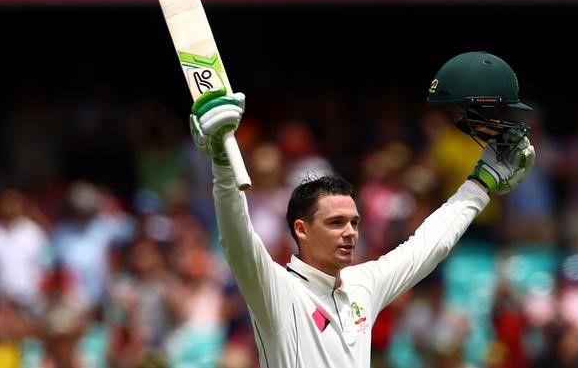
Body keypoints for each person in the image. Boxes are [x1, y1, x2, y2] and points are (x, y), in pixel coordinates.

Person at [189, 51, 536, 367]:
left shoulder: (363, 285)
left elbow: (430, 245)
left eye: (354, 222)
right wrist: (222, 161)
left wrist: (479, 185)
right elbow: (236, 238)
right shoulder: (275, 287)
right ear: (301, 229)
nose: (350, 232)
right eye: (336, 222)